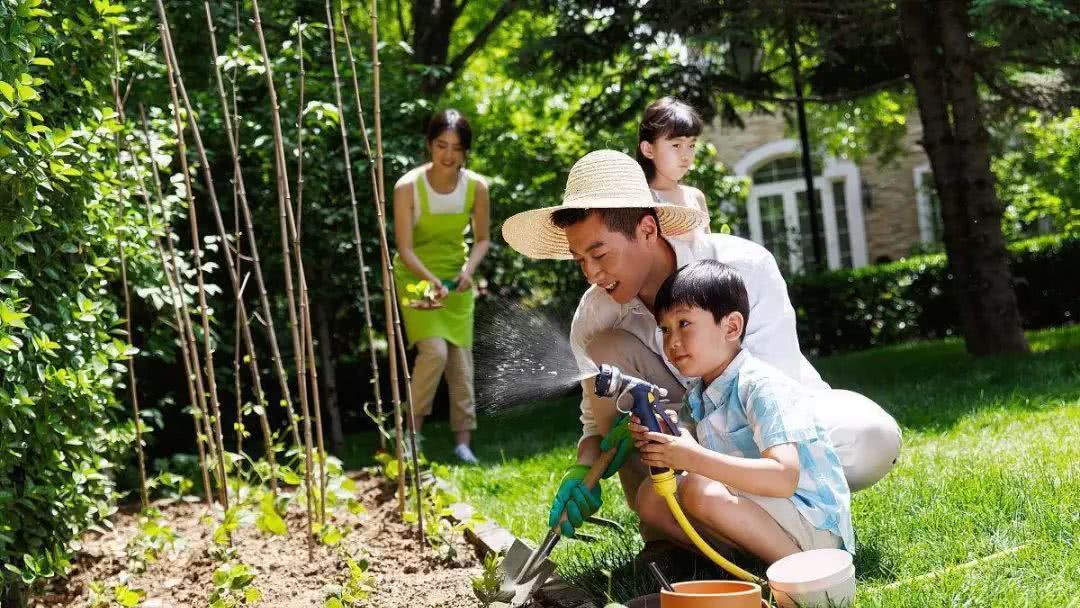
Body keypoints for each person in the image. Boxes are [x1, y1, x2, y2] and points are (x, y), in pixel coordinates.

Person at [499, 149, 900, 540]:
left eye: (599, 254)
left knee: (871, 436)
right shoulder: (594, 316)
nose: (592, 273)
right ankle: (664, 536)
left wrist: (697, 452)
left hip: (770, 426)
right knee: (604, 353)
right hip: (684, 439)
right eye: (579, 260)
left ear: (647, 230)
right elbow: (598, 421)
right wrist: (583, 469)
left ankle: (757, 521)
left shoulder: (743, 267)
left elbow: (775, 387)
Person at [629, 260, 853, 564]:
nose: (672, 341)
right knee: (650, 495)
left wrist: (691, 457)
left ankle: (803, 575)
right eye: (665, 329)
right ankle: (741, 568)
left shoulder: (762, 387)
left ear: (732, 327)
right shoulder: (699, 396)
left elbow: (783, 477)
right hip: (763, 516)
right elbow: (694, 462)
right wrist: (665, 441)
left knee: (698, 488)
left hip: (811, 526)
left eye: (684, 324)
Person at [392, 109, 490, 464]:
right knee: (433, 351)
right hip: (416, 279)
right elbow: (403, 247)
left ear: (466, 151)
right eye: (441, 145)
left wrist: (467, 270)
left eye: (457, 148)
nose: (448, 155)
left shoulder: (477, 187)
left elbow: (481, 240)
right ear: (429, 145)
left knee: (460, 363)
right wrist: (429, 281)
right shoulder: (407, 187)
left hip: (456, 281)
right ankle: (411, 435)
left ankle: (463, 443)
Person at [637, 97, 711, 238]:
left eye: (691, 145)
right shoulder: (640, 200)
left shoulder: (696, 197)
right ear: (648, 149)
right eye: (676, 145)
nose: (686, 155)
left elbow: (709, 253)